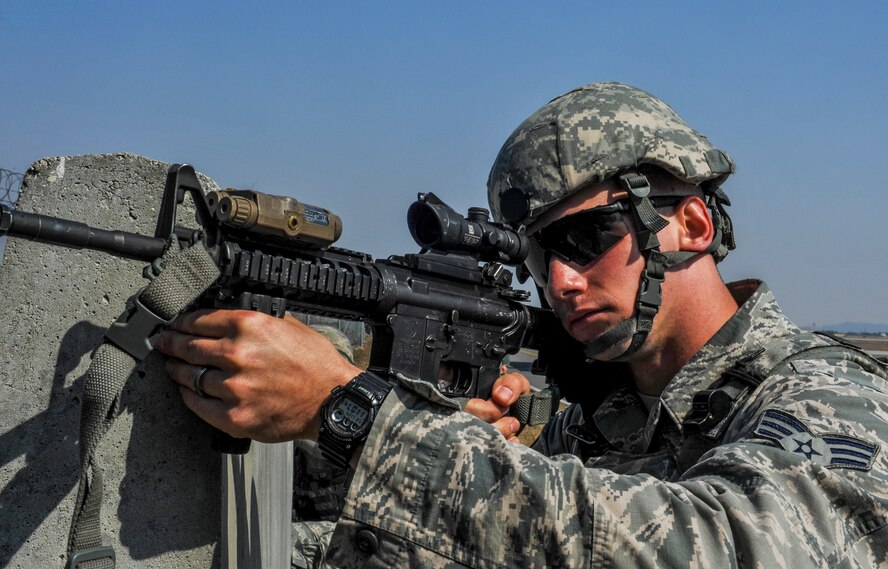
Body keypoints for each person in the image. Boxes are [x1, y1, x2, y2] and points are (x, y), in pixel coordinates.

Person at [156, 82, 888, 567]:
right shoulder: (600, 426)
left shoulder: (831, 395)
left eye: (586, 236)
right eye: (539, 256)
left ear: (691, 224)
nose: (560, 280)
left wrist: (353, 415)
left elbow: (720, 549)